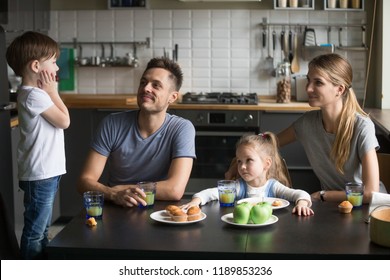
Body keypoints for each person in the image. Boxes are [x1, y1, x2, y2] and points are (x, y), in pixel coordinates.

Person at [226, 53, 380, 204]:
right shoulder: (307, 124)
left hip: (367, 209)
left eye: (318, 83)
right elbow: (268, 143)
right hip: (332, 207)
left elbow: (370, 193)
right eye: (308, 80)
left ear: (339, 89)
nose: (308, 88)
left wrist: (324, 195)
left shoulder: (362, 126)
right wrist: (236, 165)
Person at [77, 57, 196, 207]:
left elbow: (174, 190)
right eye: (143, 82)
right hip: (116, 204)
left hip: (161, 208)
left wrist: (124, 188)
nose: (146, 88)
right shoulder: (112, 123)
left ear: (172, 97)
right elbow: (84, 181)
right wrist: (114, 193)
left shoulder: (182, 128)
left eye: (156, 85)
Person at [6, 31, 70, 259]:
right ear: (36, 66)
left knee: (42, 229)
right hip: (41, 174)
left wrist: (50, 92)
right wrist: (53, 91)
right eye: (53, 62)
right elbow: (65, 121)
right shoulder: (35, 96)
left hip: (44, 172)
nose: (57, 68)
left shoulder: (34, 94)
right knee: (35, 231)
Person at [183, 133, 314, 216]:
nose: (242, 166)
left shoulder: (273, 187)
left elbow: (300, 194)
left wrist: (302, 203)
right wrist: (196, 201)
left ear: (266, 164)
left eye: (249, 160)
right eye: (239, 161)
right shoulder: (238, 186)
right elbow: (211, 193)